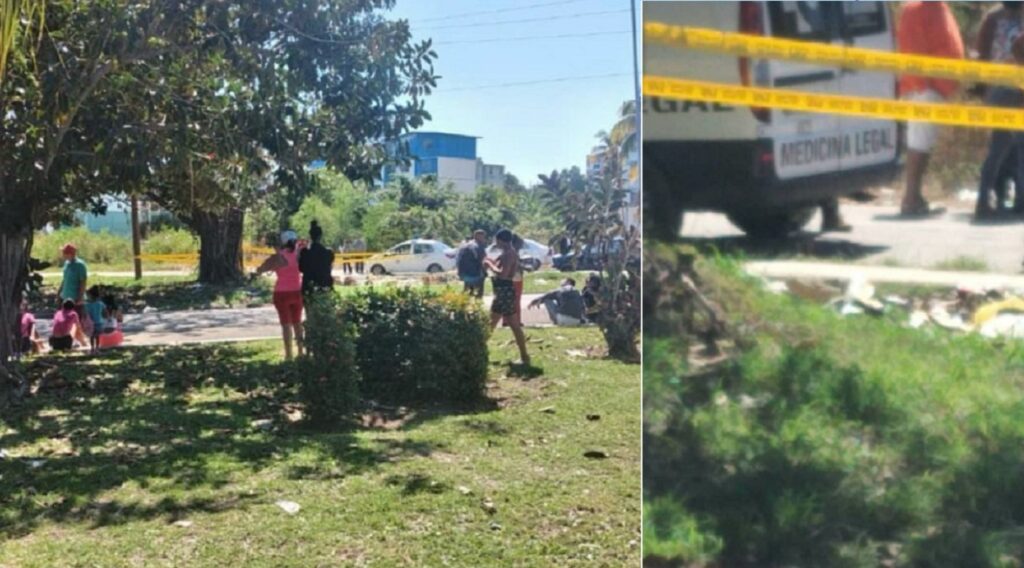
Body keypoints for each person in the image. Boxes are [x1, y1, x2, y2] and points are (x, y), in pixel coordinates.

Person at [896, 1, 965, 217]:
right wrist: (922, 85)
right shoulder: (915, 9)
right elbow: (912, 47)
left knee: (924, 144)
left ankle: (916, 197)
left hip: (936, 88)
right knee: (919, 144)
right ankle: (910, 199)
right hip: (925, 88)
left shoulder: (940, 6)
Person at [976, 2, 1024, 218]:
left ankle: (983, 200)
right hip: (1017, 89)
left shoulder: (992, 18)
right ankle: (1021, 202)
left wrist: (982, 86)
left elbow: (982, 52)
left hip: (996, 88)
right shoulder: (1018, 18)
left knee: (998, 147)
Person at [253, 230, 306, 360]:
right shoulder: (299, 255)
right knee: (297, 322)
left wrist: (259, 271)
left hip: (281, 293)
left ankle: (288, 354)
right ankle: (300, 351)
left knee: (286, 324)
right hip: (297, 291)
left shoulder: (278, 257)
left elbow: (261, 269)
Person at [484, 229, 530, 366]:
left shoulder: (509, 254)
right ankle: (478, 352)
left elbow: (503, 275)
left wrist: (489, 264)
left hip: (504, 291)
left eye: (496, 240)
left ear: (500, 240)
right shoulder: (508, 254)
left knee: (511, 325)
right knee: (491, 324)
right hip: (502, 292)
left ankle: (524, 357)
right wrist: (493, 261)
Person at [57, 243, 89, 346]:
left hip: (75, 297)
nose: (63, 255)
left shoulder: (80, 265)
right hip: (65, 296)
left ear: (70, 254)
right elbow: (64, 279)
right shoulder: (66, 264)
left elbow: (83, 282)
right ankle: (76, 340)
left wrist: (80, 297)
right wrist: (59, 292)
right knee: (65, 320)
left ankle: (79, 341)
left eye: (64, 253)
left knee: (76, 321)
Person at [299, 220, 336, 293]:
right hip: (325, 285)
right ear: (320, 236)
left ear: (310, 236)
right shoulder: (328, 253)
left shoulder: (305, 253)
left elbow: (301, 268)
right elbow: (329, 267)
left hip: (309, 286)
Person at [456, 230, 487, 298]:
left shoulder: (466, 245)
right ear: (478, 236)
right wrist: (485, 272)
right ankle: (478, 304)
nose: (484, 239)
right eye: (483, 237)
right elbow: (482, 261)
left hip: (464, 273)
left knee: (467, 290)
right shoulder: (478, 246)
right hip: (475, 273)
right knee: (479, 290)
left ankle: (462, 304)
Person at [83, 285, 107, 355]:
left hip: (91, 324)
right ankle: (97, 349)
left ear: (90, 295)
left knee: (92, 337)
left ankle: (92, 349)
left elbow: (85, 314)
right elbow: (105, 312)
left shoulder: (87, 305)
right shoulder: (100, 303)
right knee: (97, 337)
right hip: (99, 323)